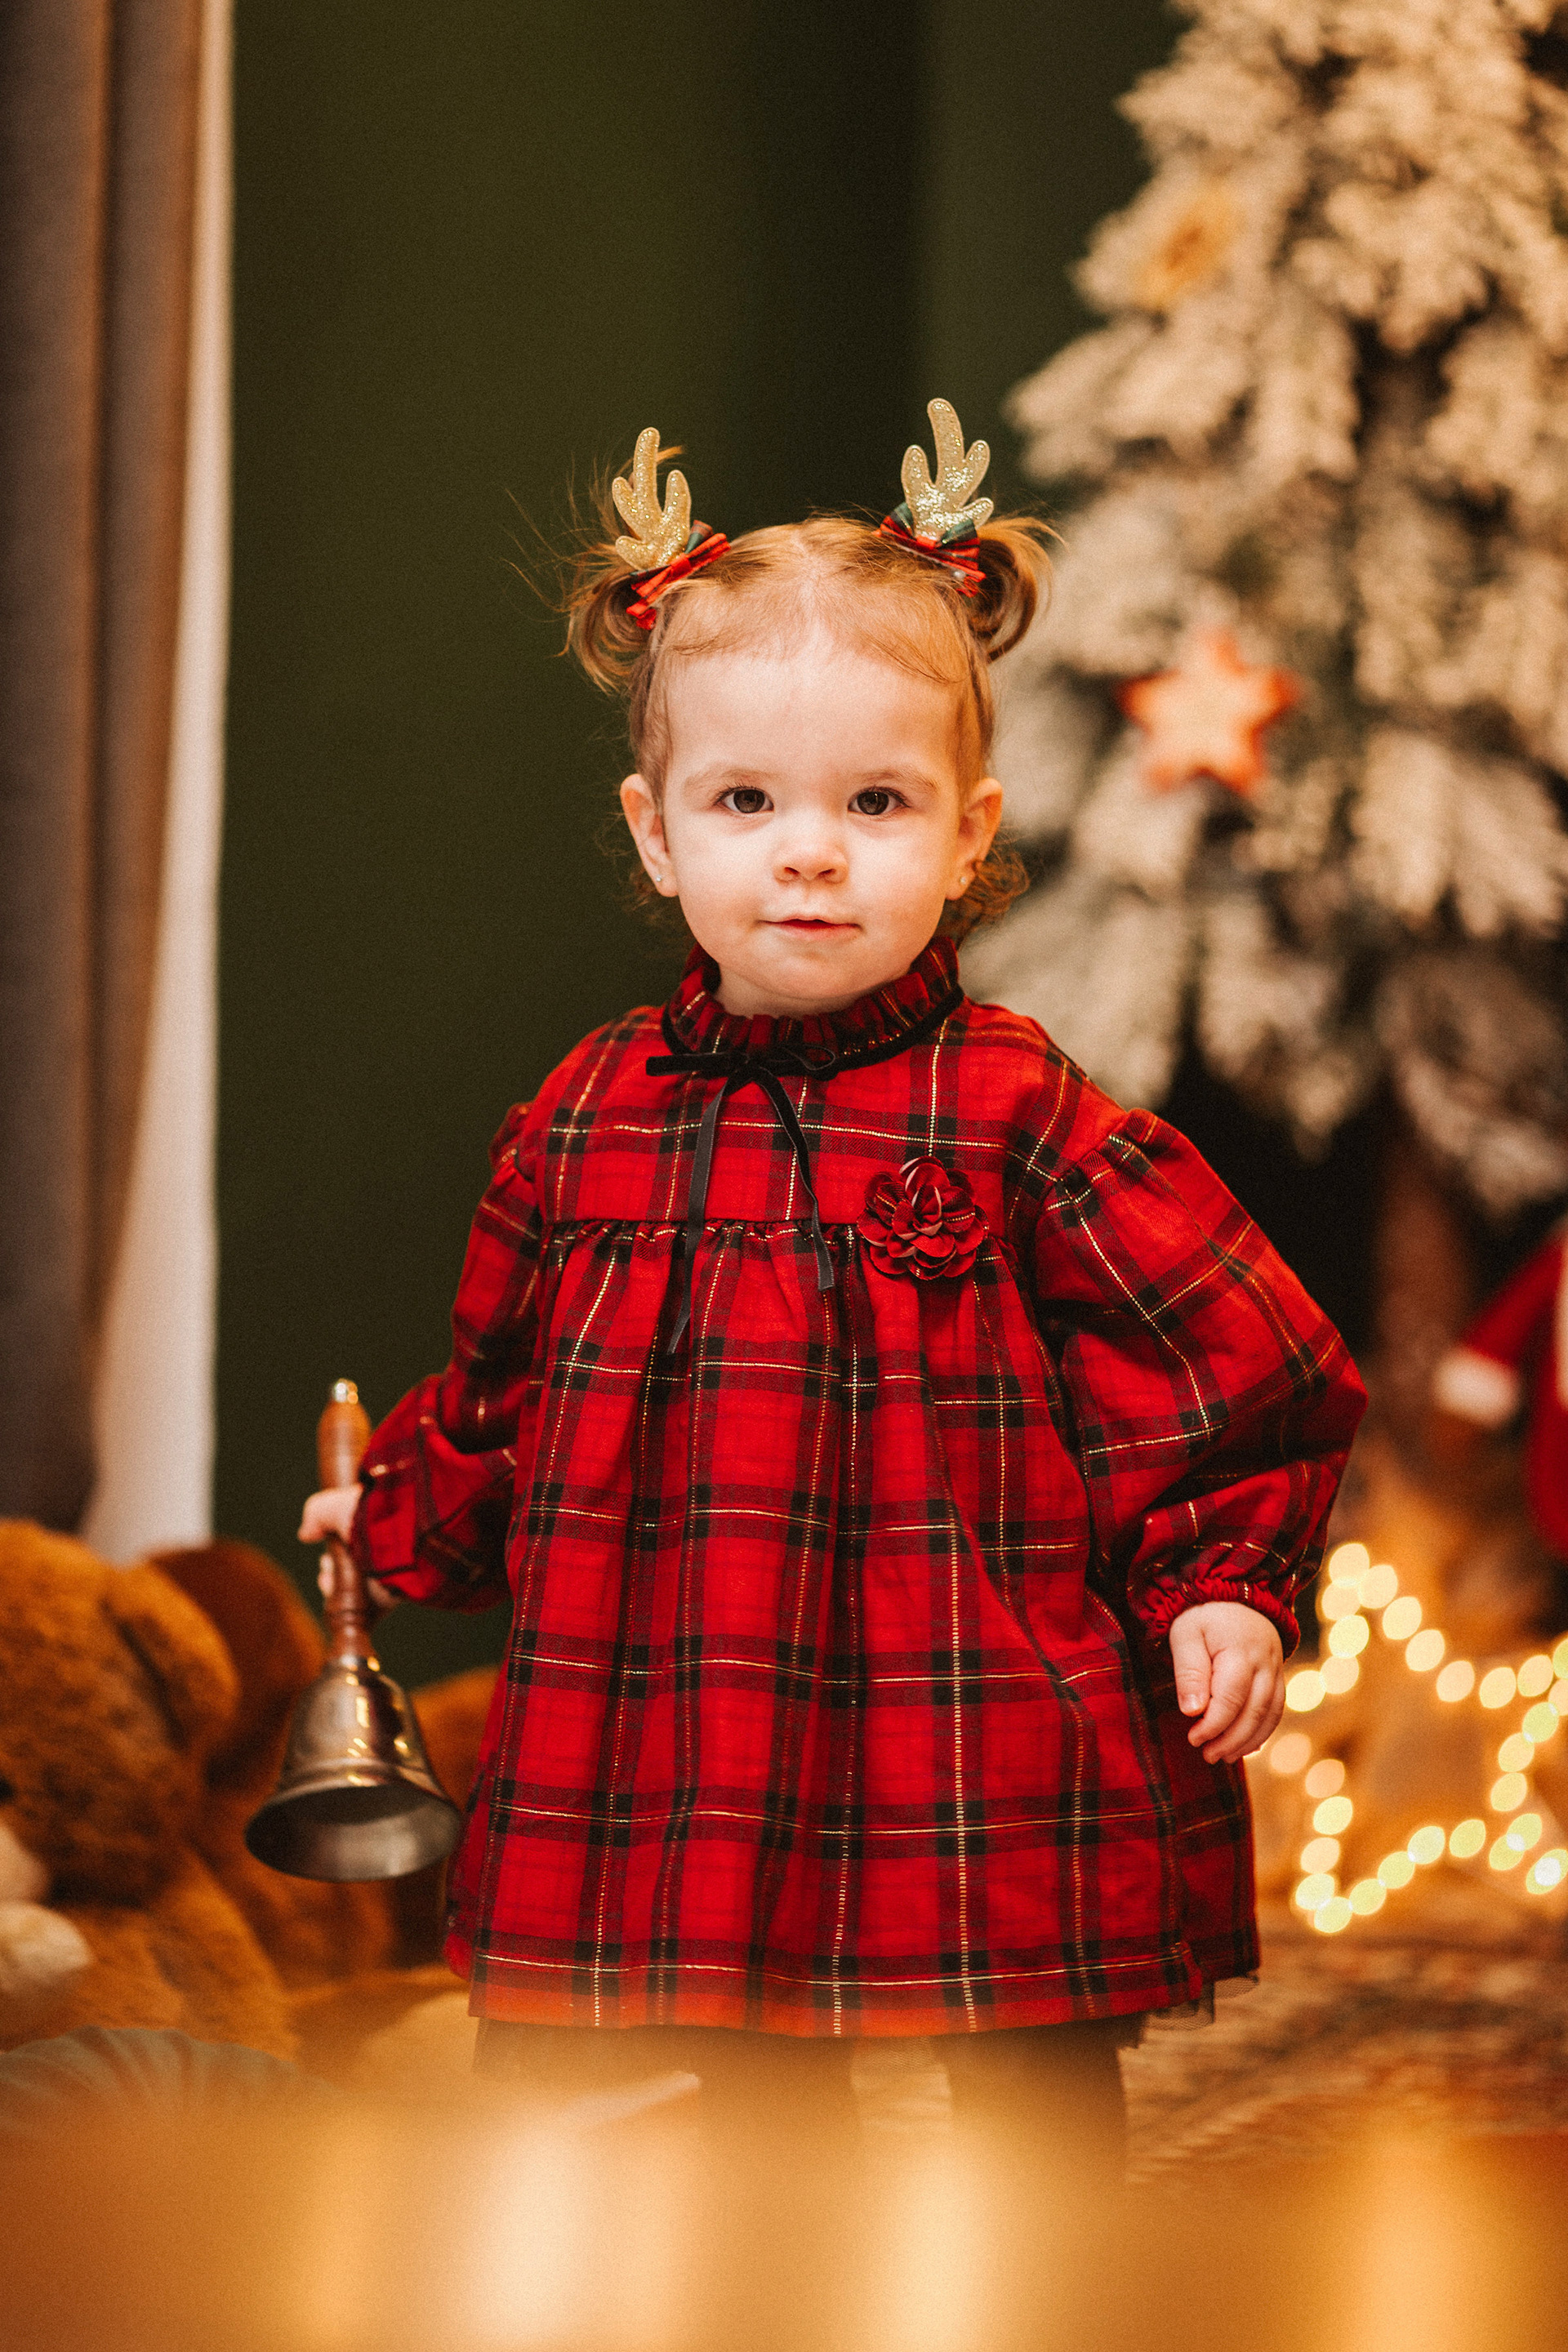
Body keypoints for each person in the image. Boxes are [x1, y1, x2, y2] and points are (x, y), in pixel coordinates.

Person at [300, 402, 1364, 2218]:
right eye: (747, 803)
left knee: (1025, 2081)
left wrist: (1222, 1582)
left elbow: (1230, 1354)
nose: (811, 853)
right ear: (655, 833)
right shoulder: (584, 1119)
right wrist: (398, 1507)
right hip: (694, 1700)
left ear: (966, 835)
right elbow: (502, 1391)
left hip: (964, 1688)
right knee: (734, 2074)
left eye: (875, 804)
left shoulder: (1016, 1107)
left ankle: (1050, 2297)